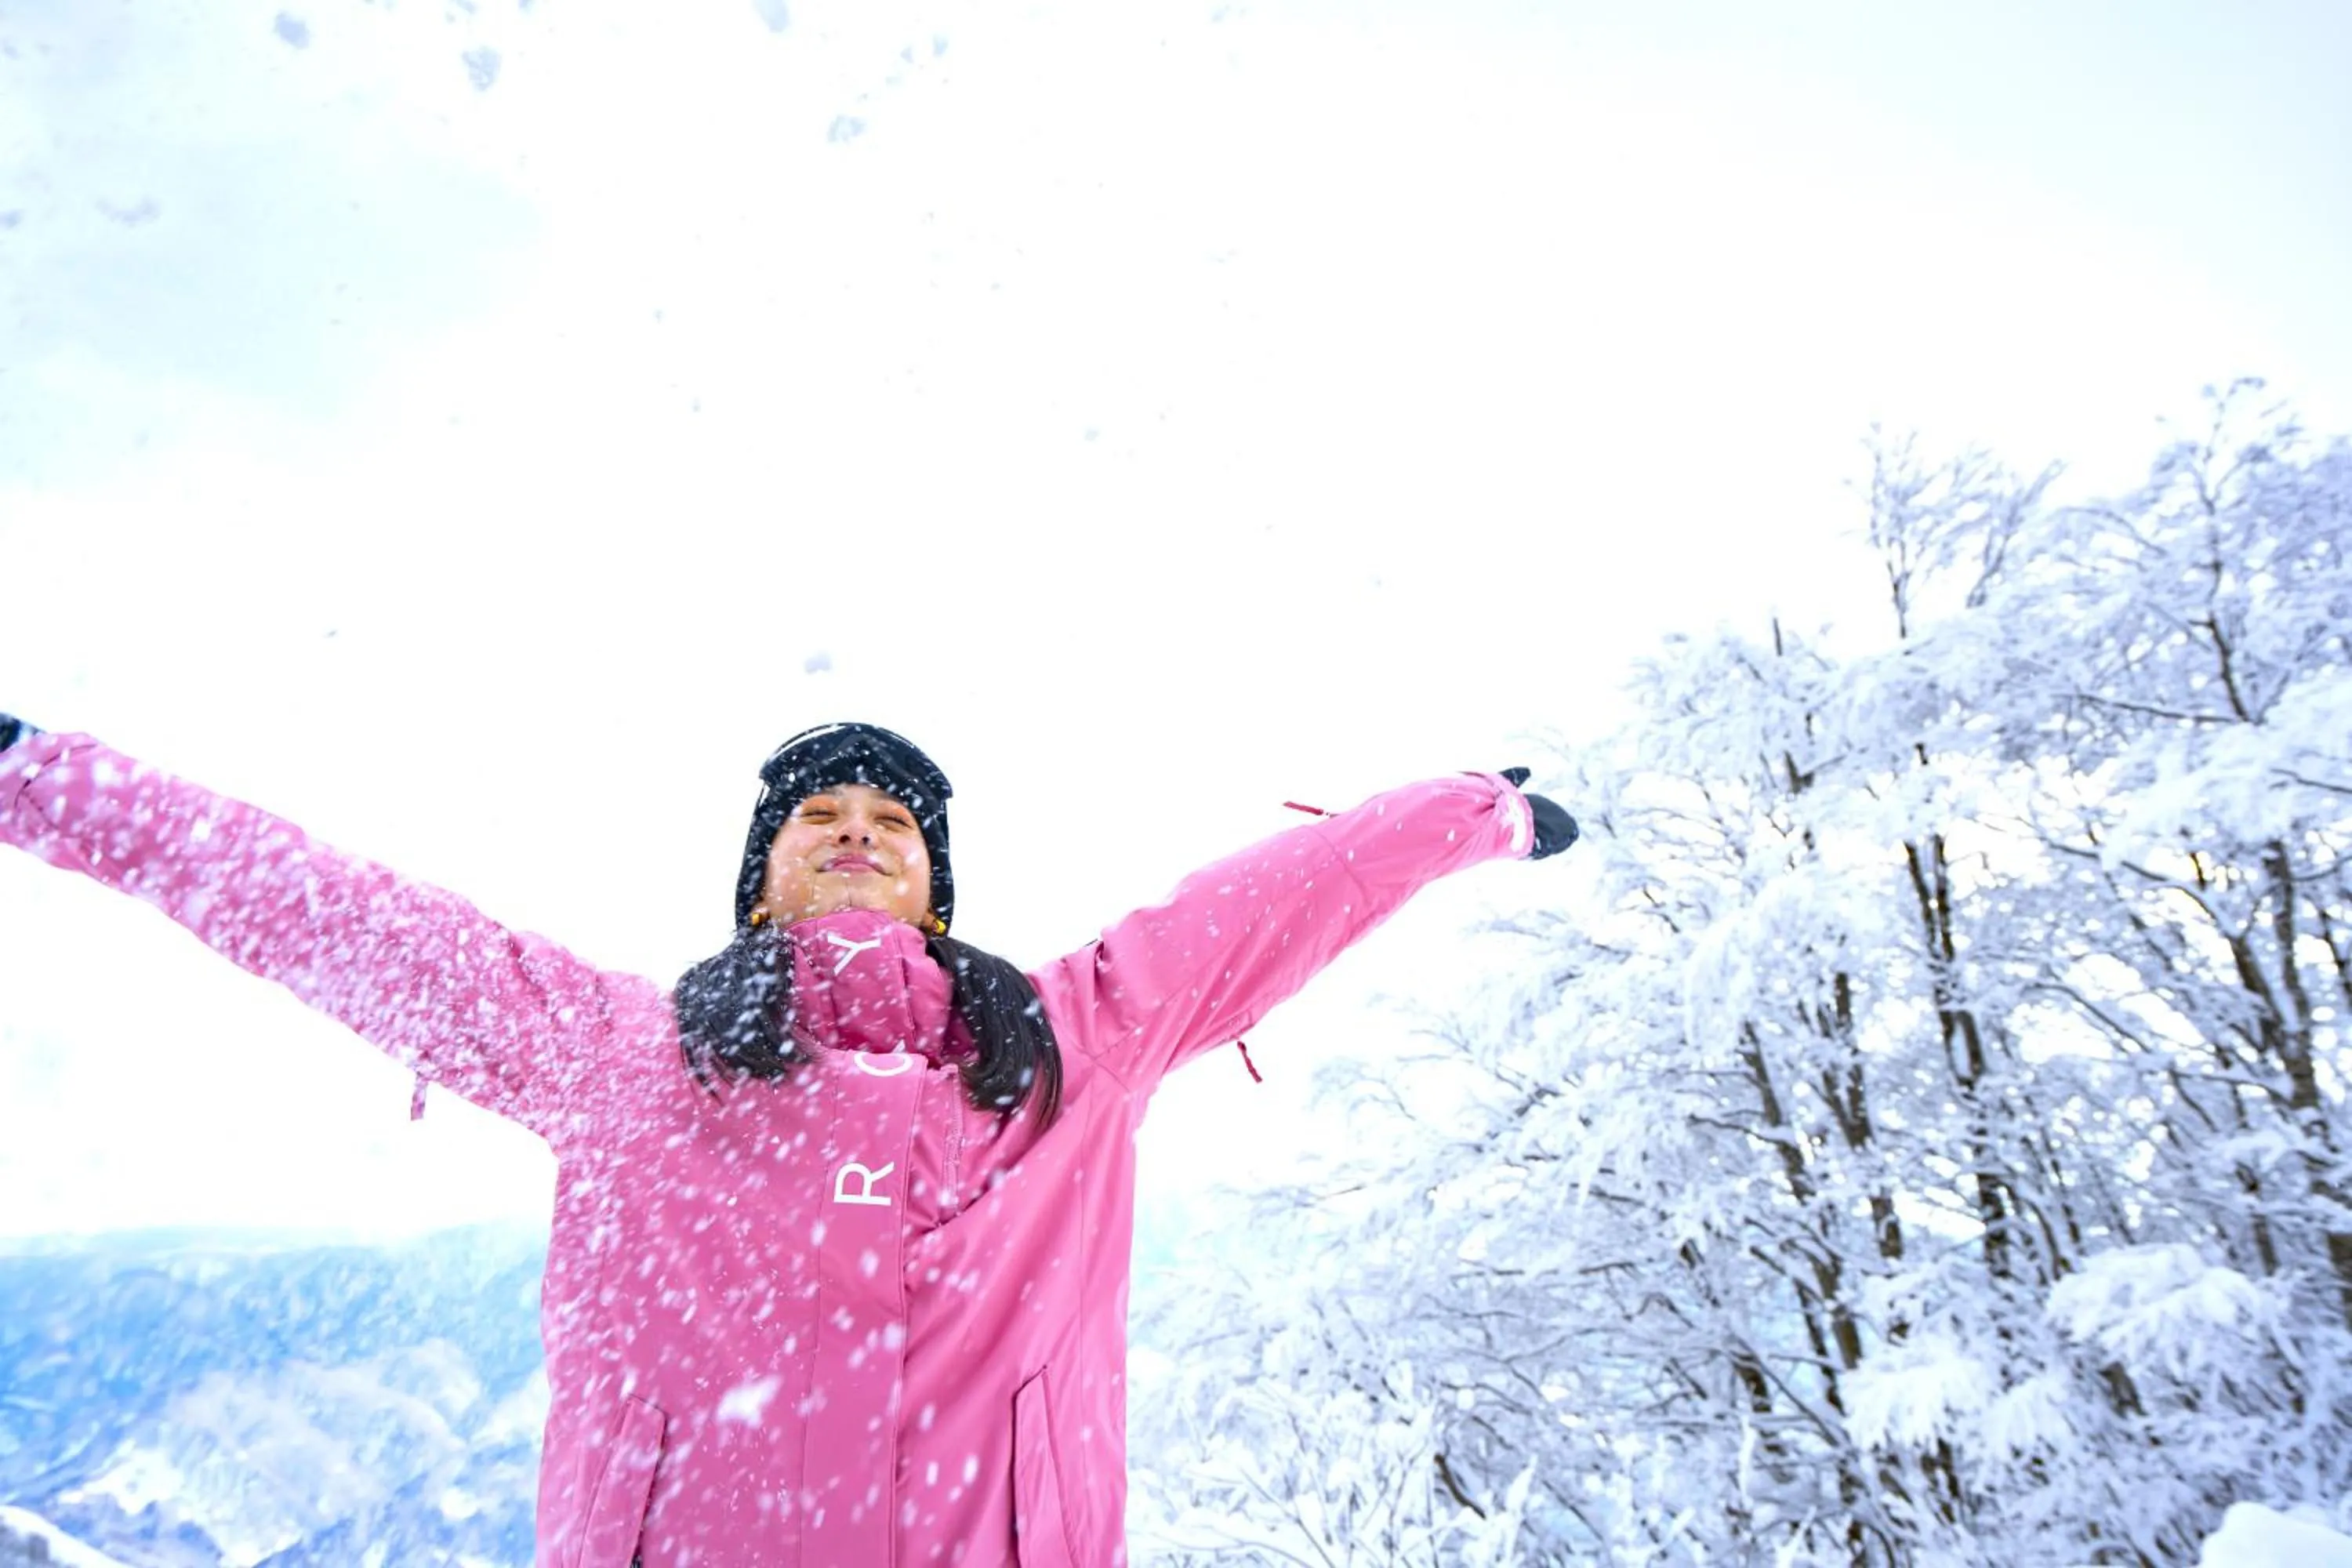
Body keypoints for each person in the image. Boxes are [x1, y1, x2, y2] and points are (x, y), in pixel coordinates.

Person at [0, 712, 1577, 1568]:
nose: (854, 831)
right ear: (760, 885)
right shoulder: (616, 1053)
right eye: (816, 819)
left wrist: (1471, 811)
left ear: (934, 895)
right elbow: (336, 911)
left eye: (891, 827)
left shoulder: (1069, 1050)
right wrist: (39, 778)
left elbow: (1270, 901)